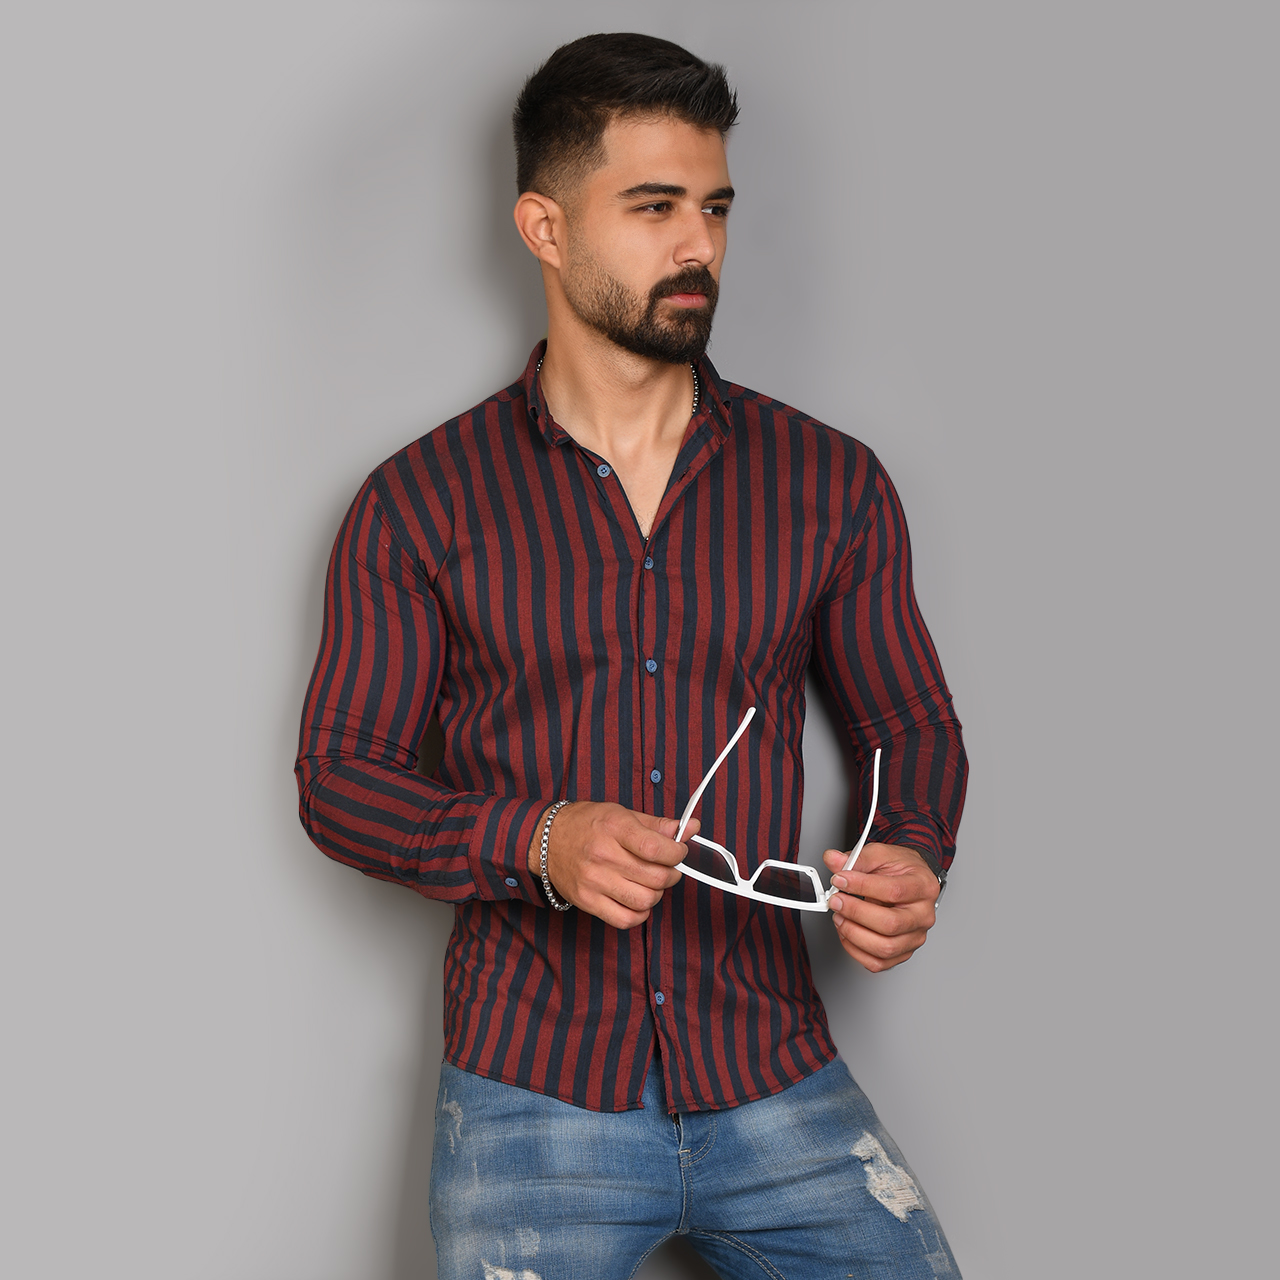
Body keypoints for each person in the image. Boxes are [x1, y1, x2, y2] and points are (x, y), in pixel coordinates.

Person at [296, 32, 968, 1279]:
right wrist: (537, 839)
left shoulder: (830, 482)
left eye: (714, 207)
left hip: (772, 1067)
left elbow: (908, 727)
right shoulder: (417, 500)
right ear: (544, 228)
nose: (697, 245)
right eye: (653, 207)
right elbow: (340, 778)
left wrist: (910, 848)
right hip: (529, 1087)